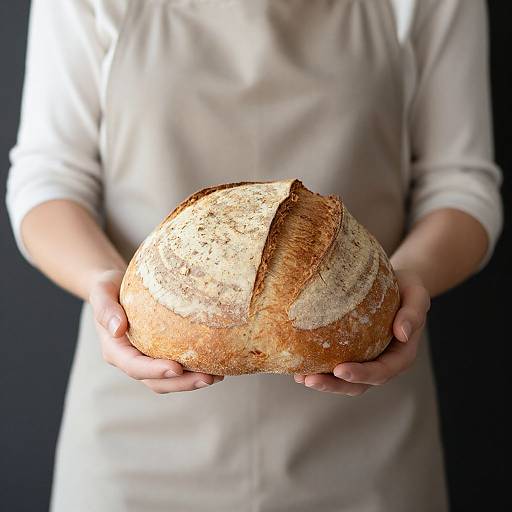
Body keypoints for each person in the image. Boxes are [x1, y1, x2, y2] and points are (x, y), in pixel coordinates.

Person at [5, 0, 503, 511]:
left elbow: (459, 184)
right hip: (133, 437)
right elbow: (49, 176)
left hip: (366, 438)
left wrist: (406, 282)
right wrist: (102, 282)